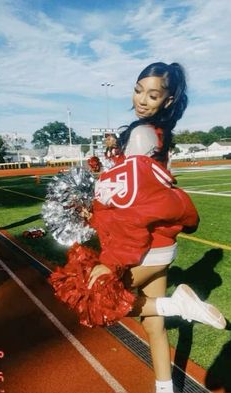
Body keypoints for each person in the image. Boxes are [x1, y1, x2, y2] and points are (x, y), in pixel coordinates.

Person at [49, 62, 226, 393]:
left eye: (153, 94)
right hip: (160, 244)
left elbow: (129, 208)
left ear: (168, 101)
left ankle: (179, 305)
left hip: (143, 244)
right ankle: (165, 389)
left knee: (94, 296)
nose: (142, 99)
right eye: (138, 89)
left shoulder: (143, 135)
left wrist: (112, 259)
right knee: (153, 326)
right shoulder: (154, 133)